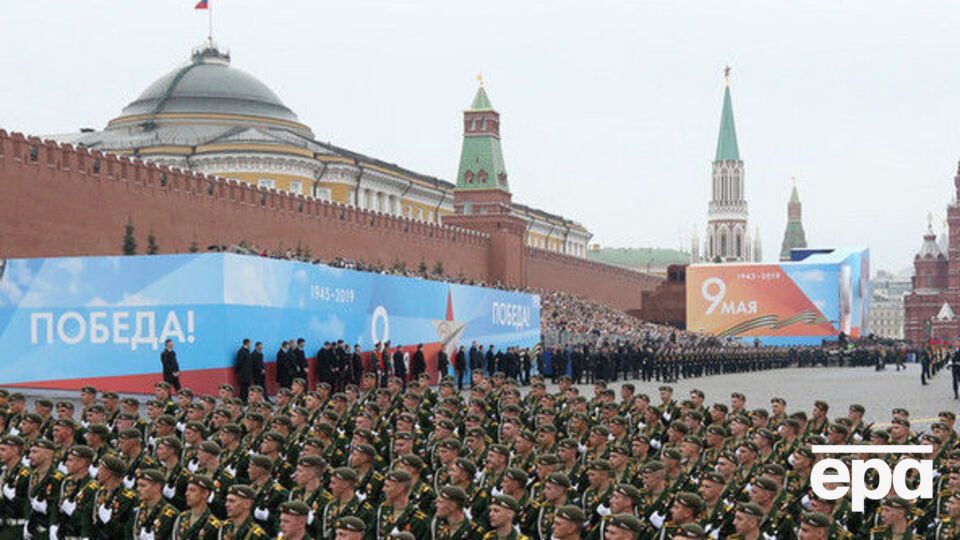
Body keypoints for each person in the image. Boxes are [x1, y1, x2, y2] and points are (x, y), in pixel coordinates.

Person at [235, 339, 253, 404]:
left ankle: (245, 399)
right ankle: (242, 400)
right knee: (243, 388)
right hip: (243, 374)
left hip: (247, 374)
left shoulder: (247, 351)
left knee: (246, 388)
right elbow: (239, 363)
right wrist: (239, 372)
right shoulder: (241, 352)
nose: (250, 345)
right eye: (250, 343)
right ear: (247, 343)